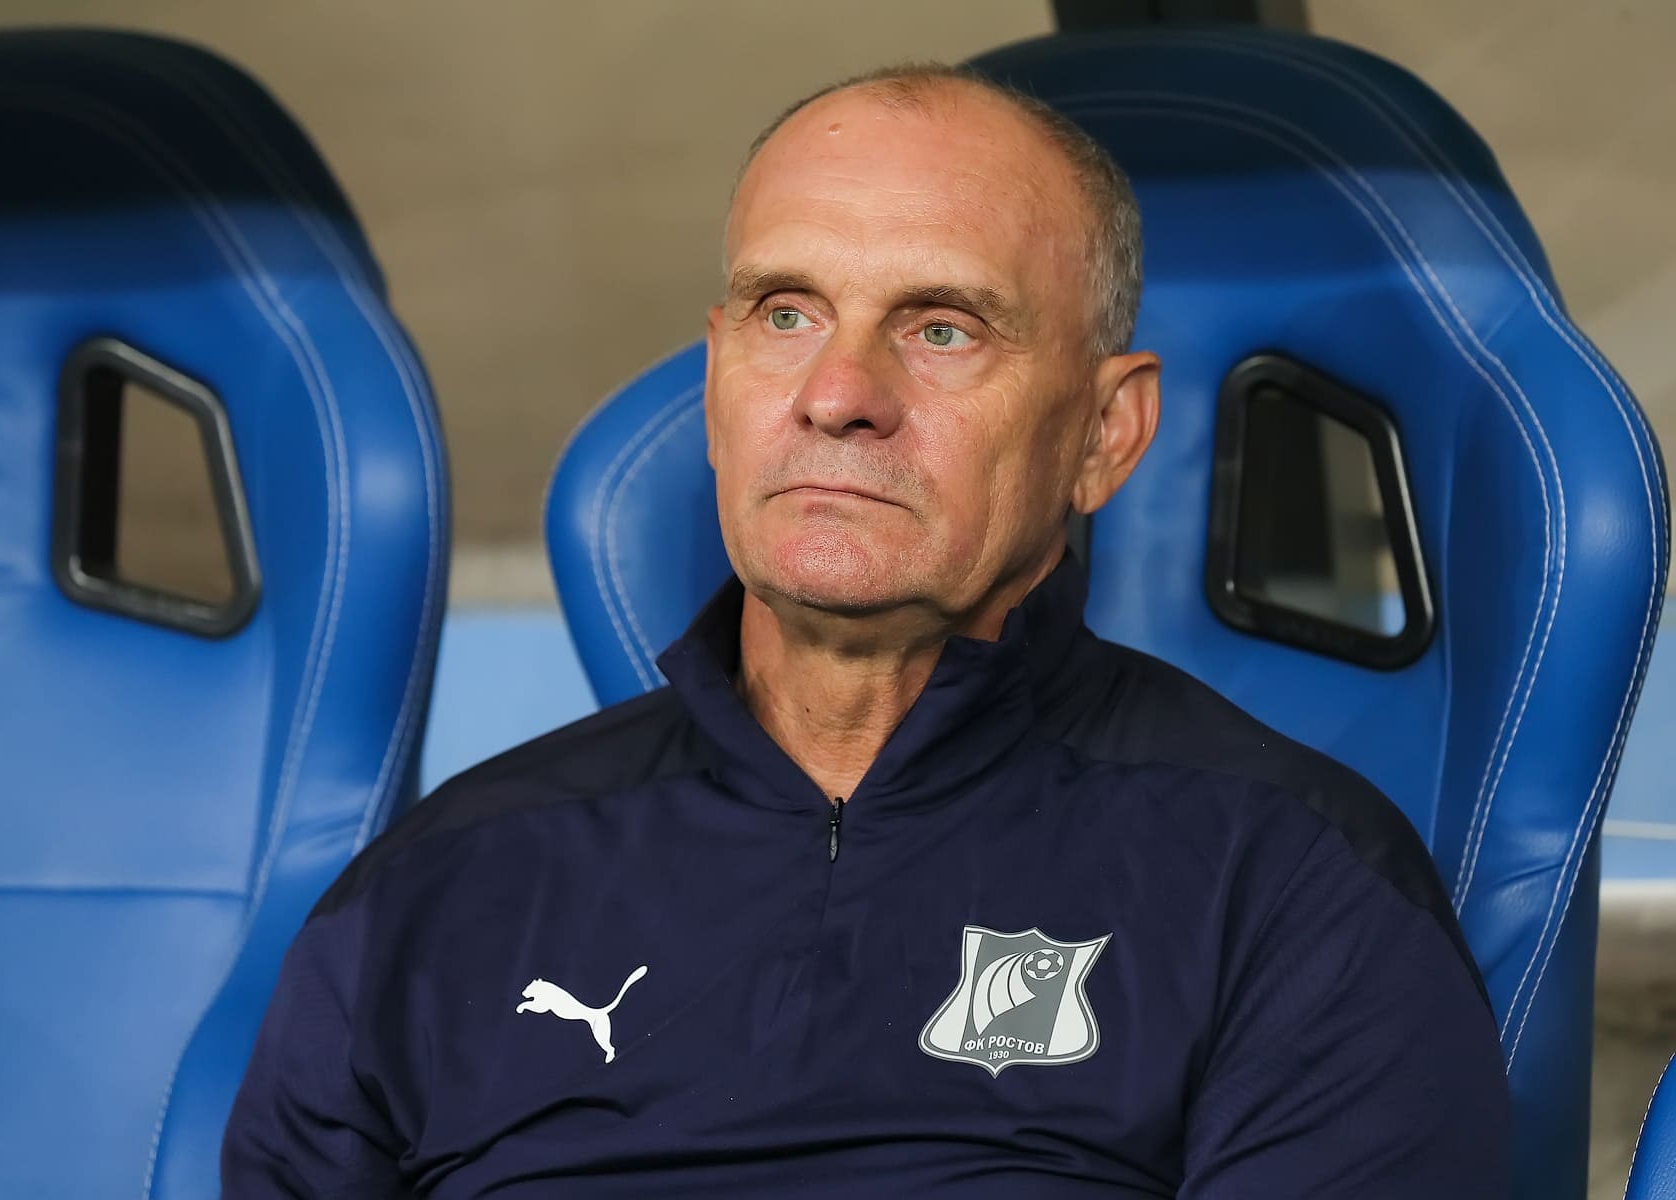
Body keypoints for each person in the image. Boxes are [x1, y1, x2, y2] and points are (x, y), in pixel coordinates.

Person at [222, 64, 1510, 1197]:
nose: (838, 395)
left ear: (1104, 435)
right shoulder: (434, 891)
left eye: (942, 328)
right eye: (785, 313)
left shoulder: (1292, 885)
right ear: (717, 383)